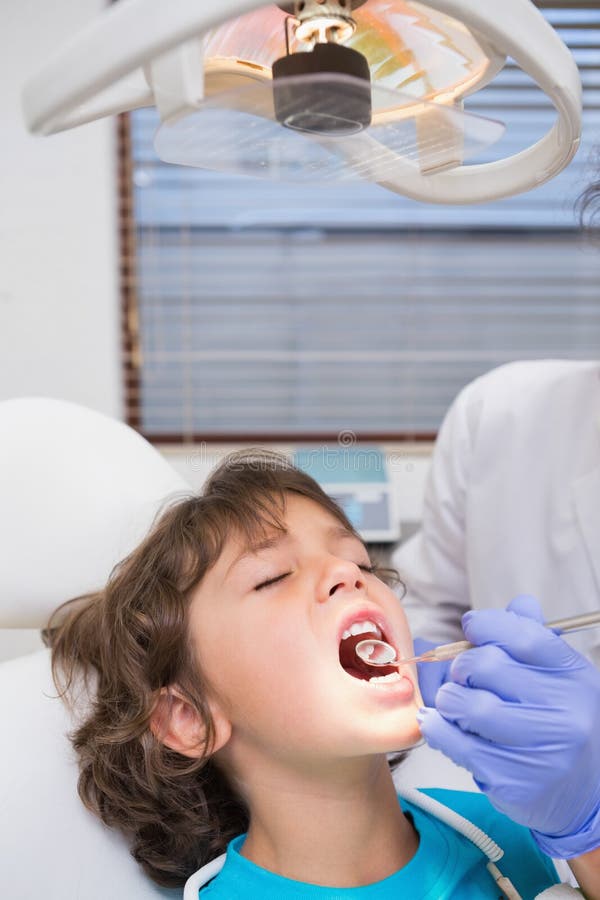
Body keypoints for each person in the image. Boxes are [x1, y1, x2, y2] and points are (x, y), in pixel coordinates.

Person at [46, 449, 600, 897]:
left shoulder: (504, 827)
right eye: (272, 577)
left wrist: (588, 828)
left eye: (361, 561)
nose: (345, 573)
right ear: (190, 718)